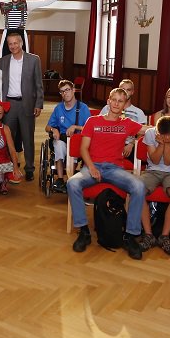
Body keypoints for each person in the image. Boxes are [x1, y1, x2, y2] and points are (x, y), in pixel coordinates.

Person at [68, 88, 146, 259]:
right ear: (108, 101)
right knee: (72, 183)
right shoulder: (93, 121)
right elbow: (83, 148)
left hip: (114, 169)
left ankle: (130, 236)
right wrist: (91, 167)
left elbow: (149, 129)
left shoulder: (127, 123)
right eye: (114, 100)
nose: (117, 103)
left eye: (120, 101)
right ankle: (84, 231)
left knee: (139, 186)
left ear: (125, 105)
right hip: (92, 166)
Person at [137, 116, 170, 256]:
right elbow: (154, 160)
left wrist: (167, 144)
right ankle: (148, 234)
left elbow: (168, 161)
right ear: (157, 131)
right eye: (162, 134)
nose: (165, 137)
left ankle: (164, 236)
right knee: (137, 189)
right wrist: (161, 144)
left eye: (168, 135)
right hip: (152, 170)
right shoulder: (150, 133)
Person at [0, 31, 44, 181]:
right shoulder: (3, 61)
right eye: (10, 44)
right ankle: (10, 166)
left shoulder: (34, 60)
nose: (13, 46)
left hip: (27, 104)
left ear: (21, 43)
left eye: (15, 43)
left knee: (27, 138)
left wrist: (39, 103)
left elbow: (38, 84)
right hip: (9, 105)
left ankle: (29, 168)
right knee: (8, 137)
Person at [46, 79, 91, 192]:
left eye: (67, 90)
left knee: (74, 147)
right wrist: (53, 129)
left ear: (73, 90)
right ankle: (60, 179)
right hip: (62, 139)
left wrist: (76, 127)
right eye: (62, 91)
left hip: (78, 141)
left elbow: (90, 128)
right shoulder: (58, 108)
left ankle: (71, 178)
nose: (65, 93)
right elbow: (47, 127)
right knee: (58, 145)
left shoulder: (83, 108)